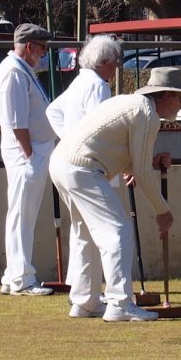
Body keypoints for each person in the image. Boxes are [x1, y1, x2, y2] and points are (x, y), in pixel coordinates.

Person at [49, 67, 181, 321]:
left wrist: (150, 161)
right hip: (83, 168)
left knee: (86, 233)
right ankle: (119, 304)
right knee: (118, 231)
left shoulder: (132, 104)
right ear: (165, 95)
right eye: (180, 98)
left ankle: (86, 302)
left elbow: (125, 157)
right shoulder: (147, 114)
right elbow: (141, 172)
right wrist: (163, 211)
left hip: (62, 163)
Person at [46, 34, 122, 296]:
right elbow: (103, 128)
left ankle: (82, 295)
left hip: (66, 163)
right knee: (109, 230)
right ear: (103, 61)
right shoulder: (99, 86)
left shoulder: (80, 82)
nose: (117, 66)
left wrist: (69, 139)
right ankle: (112, 296)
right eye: (115, 61)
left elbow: (52, 111)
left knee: (82, 230)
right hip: (88, 167)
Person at [0, 23, 57, 296]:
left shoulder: (22, 71)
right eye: (41, 48)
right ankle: (21, 278)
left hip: (34, 151)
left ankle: (14, 275)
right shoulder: (13, 73)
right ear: (29, 47)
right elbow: (17, 121)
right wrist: (30, 153)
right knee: (22, 215)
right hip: (26, 153)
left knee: (23, 215)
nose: (43, 54)